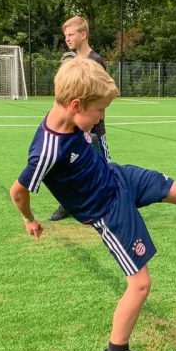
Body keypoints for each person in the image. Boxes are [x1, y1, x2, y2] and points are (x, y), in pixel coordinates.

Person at [10, 56, 176, 351]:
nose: (102, 117)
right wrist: (29, 219)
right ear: (76, 105)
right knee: (140, 284)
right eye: (100, 111)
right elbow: (18, 191)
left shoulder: (72, 118)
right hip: (108, 210)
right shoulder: (47, 150)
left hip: (120, 178)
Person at [49, 16, 111, 221]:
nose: (67, 38)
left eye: (71, 34)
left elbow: (103, 95)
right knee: (69, 166)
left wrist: (90, 124)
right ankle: (68, 204)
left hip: (93, 130)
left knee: (102, 167)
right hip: (72, 129)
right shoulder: (72, 62)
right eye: (65, 35)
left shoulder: (95, 61)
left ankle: (111, 204)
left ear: (83, 35)